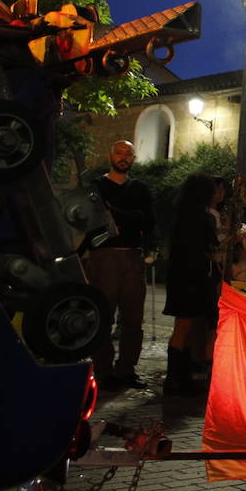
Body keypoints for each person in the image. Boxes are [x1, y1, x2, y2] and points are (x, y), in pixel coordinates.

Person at [89, 140, 156, 391]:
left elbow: (147, 220)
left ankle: (127, 368)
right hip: (104, 255)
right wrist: (132, 217)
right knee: (103, 314)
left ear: (134, 158)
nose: (123, 157)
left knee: (132, 317)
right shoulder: (97, 186)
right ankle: (102, 369)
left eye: (128, 154)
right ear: (110, 155)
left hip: (132, 256)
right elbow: (93, 219)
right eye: (119, 152)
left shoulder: (140, 188)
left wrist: (117, 213)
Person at [163, 173, 221, 397]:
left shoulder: (180, 216)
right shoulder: (202, 218)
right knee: (189, 326)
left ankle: (178, 375)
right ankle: (176, 378)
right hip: (194, 277)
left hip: (179, 275)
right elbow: (211, 245)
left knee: (182, 326)